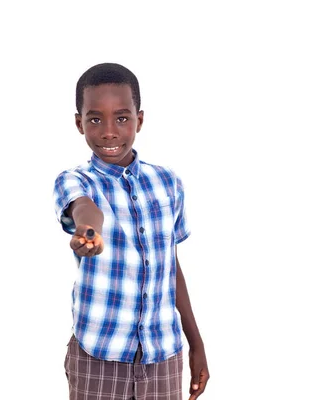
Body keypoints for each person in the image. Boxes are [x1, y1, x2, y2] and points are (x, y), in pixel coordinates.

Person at [53, 63, 209, 400]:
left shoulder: (168, 183)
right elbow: (83, 209)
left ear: (139, 119)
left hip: (163, 355)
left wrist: (195, 342)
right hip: (98, 354)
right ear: (79, 123)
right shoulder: (75, 180)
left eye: (122, 118)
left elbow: (171, 265)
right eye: (95, 119)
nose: (109, 131)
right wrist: (89, 231)